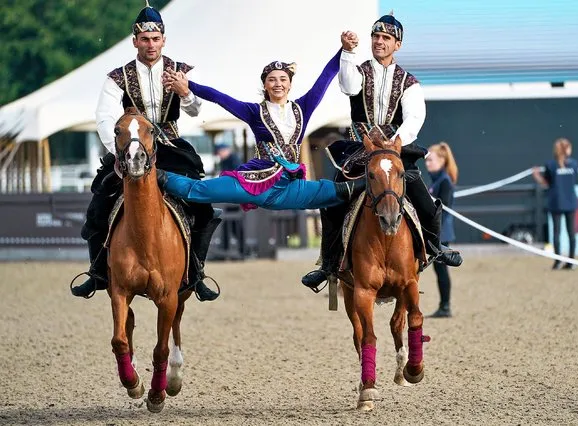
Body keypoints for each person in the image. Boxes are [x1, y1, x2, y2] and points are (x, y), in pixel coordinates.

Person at [301, 14, 463, 290]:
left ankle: (434, 247)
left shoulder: (409, 82)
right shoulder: (359, 70)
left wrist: (393, 145)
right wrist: (348, 51)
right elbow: (348, 86)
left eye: (386, 38)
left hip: (396, 151)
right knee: (332, 202)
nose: (379, 42)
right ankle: (328, 263)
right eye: (376, 37)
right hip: (357, 151)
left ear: (397, 44)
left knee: (423, 199)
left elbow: (414, 118)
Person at [70, 3, 220, 301]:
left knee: (202, 205)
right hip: (130, 148)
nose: (150, 45)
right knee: (99, 200)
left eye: (155, 39)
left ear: (163, 40)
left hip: (172, 148)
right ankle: (98, 271)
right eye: (144, 39)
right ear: (135, 40)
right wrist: (121, 154)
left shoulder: (182, 71)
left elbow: (195, 110)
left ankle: (197, 273)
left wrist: (185, 92)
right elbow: (104, 118)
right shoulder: (117, 77)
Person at [158, 42, 364, 212]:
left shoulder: (303, 107)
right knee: (198, 190)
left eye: (283, 79)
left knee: (337, 193)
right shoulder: (254, 111)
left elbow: (325, 77)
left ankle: (333, 257)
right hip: (255, 183)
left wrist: (344, 49)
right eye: (272, 80)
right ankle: (156, 175)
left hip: (290, 188)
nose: (278, 84)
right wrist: (187, 85)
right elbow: (219, 97)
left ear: (290, 84)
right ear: (264, 85)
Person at [533, 138, 578, 270]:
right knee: (571, 233)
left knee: (557, 232)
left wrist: (536, 175)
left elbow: (546, 183)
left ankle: (558, 261)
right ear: (566, 149)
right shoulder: (574, 164)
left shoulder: (550, 165)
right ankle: (571, 261)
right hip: (570, 202)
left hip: (557, 202)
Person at [425, 142, 458, 318]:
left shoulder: (444, 181)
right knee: (439, 269)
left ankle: (445, 306)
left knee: (441, 269)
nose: (427, 163)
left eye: (430, 160)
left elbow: (442, 209)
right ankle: (444, 305)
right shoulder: (436, 180)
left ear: (442, 160)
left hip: (441, 231)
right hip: (438, 230)